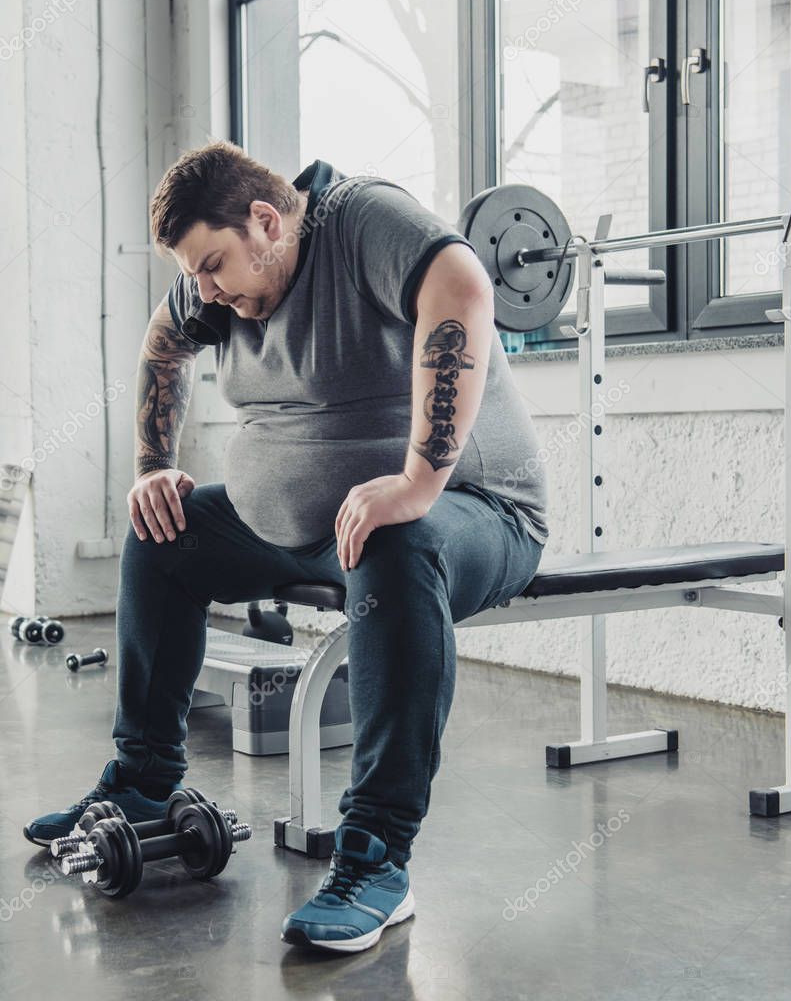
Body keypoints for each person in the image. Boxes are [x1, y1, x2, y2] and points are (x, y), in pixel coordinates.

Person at [24, 142, 548, 953]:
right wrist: (152, 469)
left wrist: (416, 479)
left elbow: (464, 287)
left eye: (214, 265)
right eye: (196, 274)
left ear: (266, 221)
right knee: (165, 532)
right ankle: (142, 784)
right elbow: (164, 341)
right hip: (314, 528)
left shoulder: (361, 221)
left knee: (398, 539)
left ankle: (375, 858)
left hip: (476, 514)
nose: (206, 290)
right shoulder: (223, 289)